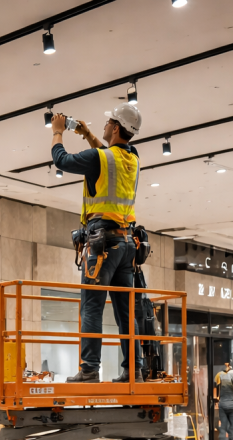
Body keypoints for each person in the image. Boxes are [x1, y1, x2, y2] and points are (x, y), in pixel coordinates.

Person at [51, 104, 144, 383]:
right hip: (127, 244)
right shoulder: (133, 157)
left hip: (102, 245)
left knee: (91, 306)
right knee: (126, 311)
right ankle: (133, 371)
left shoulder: (99, 158)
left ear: (116, 128)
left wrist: (58, 132)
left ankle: (90, 369)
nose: (104, 125)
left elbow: (62, 160)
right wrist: (88, 133)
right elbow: (106, 158)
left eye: (108, 122)